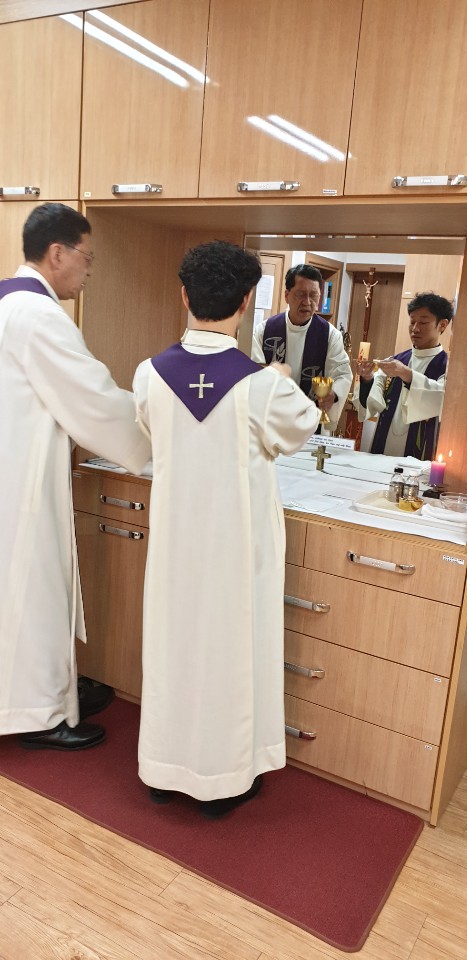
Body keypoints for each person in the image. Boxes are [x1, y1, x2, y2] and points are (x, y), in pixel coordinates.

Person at [133, 241, 320, 819]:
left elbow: (151, 433)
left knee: (173, 649)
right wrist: (280, 375)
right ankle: (224, 780)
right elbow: (303, 427)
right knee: (229, 654)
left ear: (184, 295)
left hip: (174, 547)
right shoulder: (262, 386)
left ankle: (163, 768)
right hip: (236, 550)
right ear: (246, 302)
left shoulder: (148, 375)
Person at [0, 202, 151, 750]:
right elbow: (94, 400)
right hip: (21, 482)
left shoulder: (6, 301)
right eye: (87, 257)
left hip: (11, 464)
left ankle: (49, 692)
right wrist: (160, 428)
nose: (89, 270)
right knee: (34, 589)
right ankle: (38, 713)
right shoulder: (39, 317)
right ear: (57, 253)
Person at [251, 263, 352, 429]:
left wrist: (333, 395)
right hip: (272, 420)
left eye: (314, 295)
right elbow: (254, 372)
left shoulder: (330, 335)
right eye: (300, 294)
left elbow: (342, 374)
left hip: (311, 422)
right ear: (287, 295)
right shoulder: (264, 330)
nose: (307, 302)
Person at [354, 292, 454, 459]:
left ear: (442, 325)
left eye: (423, 322)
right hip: (383, 448)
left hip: (421, 452)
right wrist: (367, 379)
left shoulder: (447, 367)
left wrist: (407, 374)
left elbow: (442, 400)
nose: (415, 329)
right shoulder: (397, 360)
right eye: (412, 322)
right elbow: (371, 405)